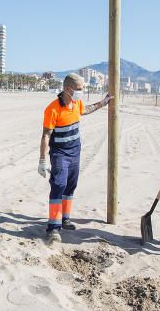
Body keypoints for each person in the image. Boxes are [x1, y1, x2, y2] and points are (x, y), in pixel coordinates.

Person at [38, 73, 111, 243]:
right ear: (67, 89)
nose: (81, 92)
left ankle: (65, 219)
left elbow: (86, 110)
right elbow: (46, 136)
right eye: (79, 89)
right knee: (59, 185)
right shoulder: (53, 108)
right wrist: (42, 160)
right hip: (59, 153)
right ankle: (53, 228)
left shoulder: (76, 102)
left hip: (75, 151)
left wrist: (103, 102)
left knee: (71, 185)